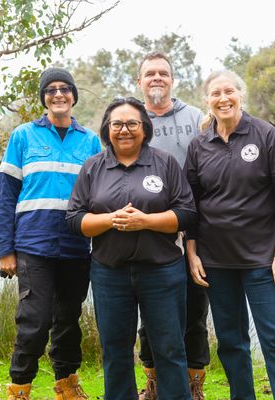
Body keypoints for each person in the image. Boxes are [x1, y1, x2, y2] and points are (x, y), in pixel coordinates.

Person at [184, 69, 275, 400]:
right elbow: (192, 204)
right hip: (216, 261)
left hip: (262, 261)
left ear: (241, 95)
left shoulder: (267, 136)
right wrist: (192, 252)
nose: (223, 98)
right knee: (230, 341)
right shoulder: (199, 146)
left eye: (229, 92)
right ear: (207, 101)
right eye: (215, 93)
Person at [66, 96, 197, 400]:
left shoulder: (164, 163)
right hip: (109, 274)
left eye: (132, 123)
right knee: (115, 350)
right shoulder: (93, 167)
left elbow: (187, 214)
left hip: (162, 273)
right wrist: (110, 220)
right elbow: (74, 219)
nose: (124, 130)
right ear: (107, 129)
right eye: (117, 124)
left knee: (170, 348)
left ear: (144, 128)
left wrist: (146, 221)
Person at [0, 67, 101, 400]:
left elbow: (99, 197)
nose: (58, 95)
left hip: (76, 247)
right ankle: (19, 388)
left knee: (68, 322)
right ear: (44, 97)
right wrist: (4, 250)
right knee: (34, 322)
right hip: (32, 247)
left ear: (73, 95)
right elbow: (5, 196)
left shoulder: (91, 141)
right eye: (50, 90)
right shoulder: (23, 136)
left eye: (64, 89)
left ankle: (67, 386)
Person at [136, 51, 210, 400]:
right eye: (150, 73)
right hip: (147, 233)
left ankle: (194, 384)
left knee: (195, 309)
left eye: (163, 73)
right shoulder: (132, 120)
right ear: (140, 81)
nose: (157, 79)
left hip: (194, 232)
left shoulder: (196, 118)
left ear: (172, 80)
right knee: (149, 314)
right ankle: (153, 382)